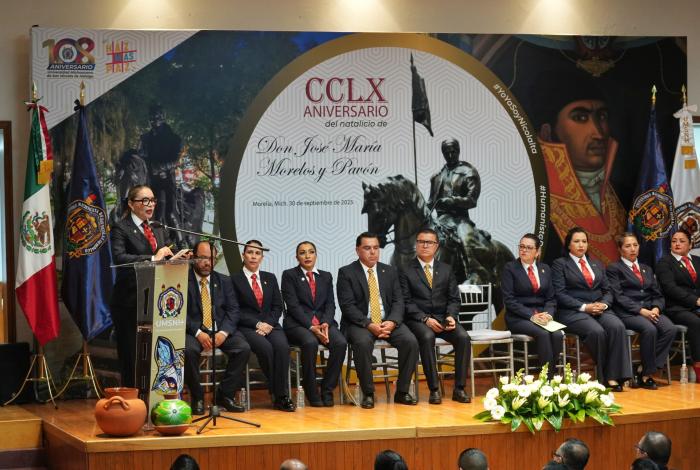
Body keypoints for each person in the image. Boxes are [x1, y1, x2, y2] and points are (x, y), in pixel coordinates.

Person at [535, 69, 625, 264]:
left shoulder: (624, 194)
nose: (598, 133)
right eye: (580, 118)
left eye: (602, 117)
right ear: (548, 132)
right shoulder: (534, 199)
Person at [337, 232, 419, 409]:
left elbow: (398, 301)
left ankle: (402, 391)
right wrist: (369, 324)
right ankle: (368, 393)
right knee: (362, 343)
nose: (373, 252)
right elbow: (348, 306)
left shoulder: (389, 271)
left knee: (410, 341)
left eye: (376, 248)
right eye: (367, 248)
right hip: (360, 323)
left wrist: (393, 321)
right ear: (357, 250)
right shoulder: (346, 273)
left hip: (387, 321)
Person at [110, 184, 176, 387]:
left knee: (158, 352)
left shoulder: (157, 227)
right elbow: (120, 258)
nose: (150, 204)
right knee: (132, 354)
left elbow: (167, 253)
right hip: (130, 301)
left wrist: (178, 257)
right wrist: (153, 258)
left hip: (158, 300)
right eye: (145, 200)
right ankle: (132, 397)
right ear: (131, 204)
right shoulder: (121, 228)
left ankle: (156, 393)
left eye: (152, 200)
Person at [552, 227, 632, 391]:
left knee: (617, 326)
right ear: (568, 245)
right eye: (576, 241)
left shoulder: (596, 264)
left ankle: (616, 375)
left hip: (599, 308)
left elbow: (608, 290)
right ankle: (607, 377)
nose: (581, 245)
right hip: (573, 311)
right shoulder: (560, 264)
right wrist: (584, 307)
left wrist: (604, 304)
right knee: (597, 332)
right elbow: (560, 294)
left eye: (584, 241)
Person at [399, 228, 471, 404]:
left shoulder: (446, 269)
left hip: (443, 317)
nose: (425, 245)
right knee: (427, 336)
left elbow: (454, 299)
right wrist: (425, 319)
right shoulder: (405, 269)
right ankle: (434, 389)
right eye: (421, 242)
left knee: (463, 337)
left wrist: (451, 316)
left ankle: (459, 388)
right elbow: (405, 302)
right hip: (418, 319)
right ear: (416, 244)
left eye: (429, 242)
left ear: (436, 246)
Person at [184, 241, 250, 415]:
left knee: (242, 348)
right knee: (188, 351)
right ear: (193, 257)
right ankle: (197, 397)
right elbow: (179, 312)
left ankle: (224, 395)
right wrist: (198, 333)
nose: (208, 263)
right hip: (193, 331)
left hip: (219, 329)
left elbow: (233, 310)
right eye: (203, 258)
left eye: (212, 259)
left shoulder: (224, 280)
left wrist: (223, 332)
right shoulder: (182, 279)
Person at [230, 240, 295, 412]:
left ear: (262, 257)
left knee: (282, 347)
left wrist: (268, 324)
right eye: (250, 252)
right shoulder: (233, 280)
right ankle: (280, 395)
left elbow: (277, 306)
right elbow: (235, 310)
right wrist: (257, 323)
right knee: (265, 348)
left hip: (271, 324)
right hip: (247, 327)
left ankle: (278, 394)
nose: (253, 256)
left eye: (257, 253)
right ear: (243, 255)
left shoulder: (270, 278)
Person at [281, 241, 347, 407]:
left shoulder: (326, 276)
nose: (307, 256)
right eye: (302, 252)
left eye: (311, 252)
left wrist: (325, 323)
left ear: (316, 255)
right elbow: (293, 306)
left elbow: (330, 304)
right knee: (310, 342)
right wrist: (311, 327)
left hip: (323, 323)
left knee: (340, 343)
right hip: (298, 324)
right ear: (297, 257)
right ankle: (311, 391)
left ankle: (327, 389)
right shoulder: (289, 275)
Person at [606, 233, 676, 389]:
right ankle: (646, 376)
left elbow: (658, 294)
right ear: (620, 249)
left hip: (651, 310)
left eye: (635, 245)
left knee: (670, 329)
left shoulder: (646, 268)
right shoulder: (614, 268)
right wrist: (641, 310)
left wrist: (656, 307)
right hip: (629, 312)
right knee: (649, 329)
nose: (633, 249)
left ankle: (644, 368)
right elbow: (618, 296)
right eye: (628, 246)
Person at [501, 233, 562, 378]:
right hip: (519, 317)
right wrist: (532, 316)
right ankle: (547, 379)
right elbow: (509, 300)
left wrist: (548, 314)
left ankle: (552, 374)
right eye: (521, 246)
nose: (524, 250)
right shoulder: (510, 268)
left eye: (528, 247)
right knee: (543, 333)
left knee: (557, 334)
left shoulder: (545, 268)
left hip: (542, 316)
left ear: (537, 251)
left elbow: (551, 298)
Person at [655, 229, 700, 382]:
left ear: (690, 244)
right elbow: (670, 288)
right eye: (674, 241)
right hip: (675, 308)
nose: (677, 244)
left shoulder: (697, 260)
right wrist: (695, 301)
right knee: (696, 322)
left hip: (696, 306)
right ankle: (698, 366)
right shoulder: (664, 262)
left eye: (682, 241)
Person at [138, 104, 183, 242]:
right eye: (151, 116)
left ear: (163, 117)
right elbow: (139, 156)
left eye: (156, 116)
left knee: (170, 213)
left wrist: (160, 167)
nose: (153, 119)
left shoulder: (174, 139)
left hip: (165, 180)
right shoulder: (144, 138)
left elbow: (176, 160)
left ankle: (182, 242)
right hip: (148, 180)